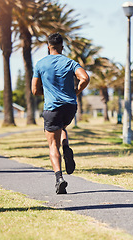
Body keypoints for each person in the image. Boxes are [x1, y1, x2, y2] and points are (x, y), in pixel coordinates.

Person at [32, 33, 90, 194]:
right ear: (62, 47)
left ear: (48, 46)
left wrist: (48, 92)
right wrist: (75, 92)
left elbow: (34, 90)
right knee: (62, 127)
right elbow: (85, 78)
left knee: (52, 144)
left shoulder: (40, 64)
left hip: (52, 107)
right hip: (70, 107)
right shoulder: (70, 62)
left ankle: (59, 178)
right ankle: (66, 146)